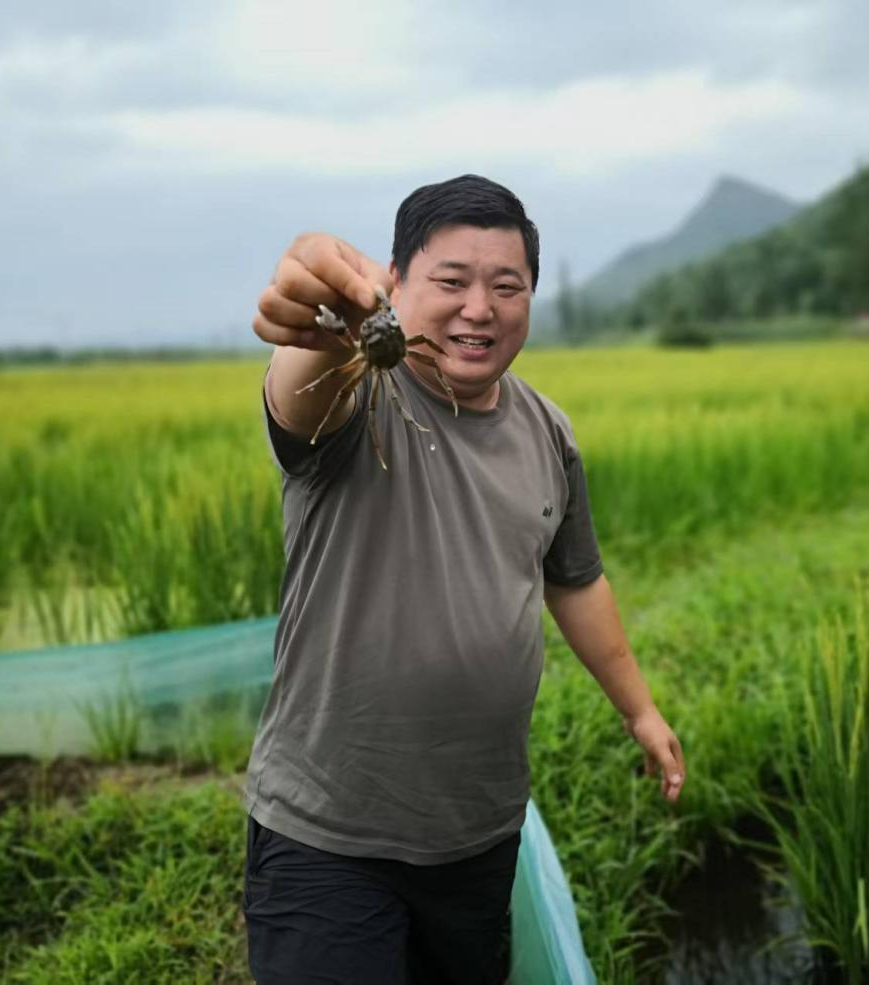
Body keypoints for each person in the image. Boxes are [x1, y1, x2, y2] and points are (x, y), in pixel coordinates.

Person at [242, 174, 686, 984]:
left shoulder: (547, 430)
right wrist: (315, 310)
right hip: (329, 835)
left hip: (478, 834)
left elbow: (576, 580)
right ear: (396, 282)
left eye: (506, 286)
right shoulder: (353, 400)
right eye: (451, 281)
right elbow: (303, 384)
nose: (479, 308)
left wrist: (641, 710)